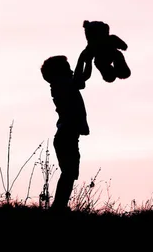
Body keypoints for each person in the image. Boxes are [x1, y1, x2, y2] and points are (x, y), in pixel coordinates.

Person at [40, 48, 93, 213]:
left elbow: (83, 78)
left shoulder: (64, 85)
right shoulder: (60, 86)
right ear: (58, 74)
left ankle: (59, 207)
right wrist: (81, 58)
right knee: (69, 172)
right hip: (66, 136)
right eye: (67, 69)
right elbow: (78, 79)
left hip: (68, 136)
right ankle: (58, 207)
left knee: (70, 173)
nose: (71, 71)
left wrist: (87, 60)